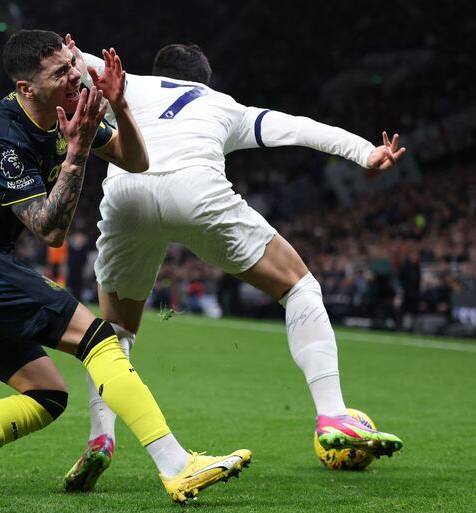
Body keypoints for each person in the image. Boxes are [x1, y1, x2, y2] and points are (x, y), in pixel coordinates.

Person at [0, 30, 250, 505]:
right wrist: (77, 151)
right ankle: (176, 464)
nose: (75, 75)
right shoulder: (3, 135)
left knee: (47, 394)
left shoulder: (69, 111)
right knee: (99, 338)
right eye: (60, 71)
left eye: (72, 63)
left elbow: (136, 161)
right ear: (27, 88)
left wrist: (120, 105)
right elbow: (50, 231)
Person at [63, 37, 405, 491]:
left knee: (114, 332)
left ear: (160, 71)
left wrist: (67, 50)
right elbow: (298, 127)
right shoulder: (224, 104)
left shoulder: (131, 84)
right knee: (299, 287)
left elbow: (66, 58)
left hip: (128, 194)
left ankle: (99, 438)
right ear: (204, 79)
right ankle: (333, 415)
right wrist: (365, 152)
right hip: (195, 191)